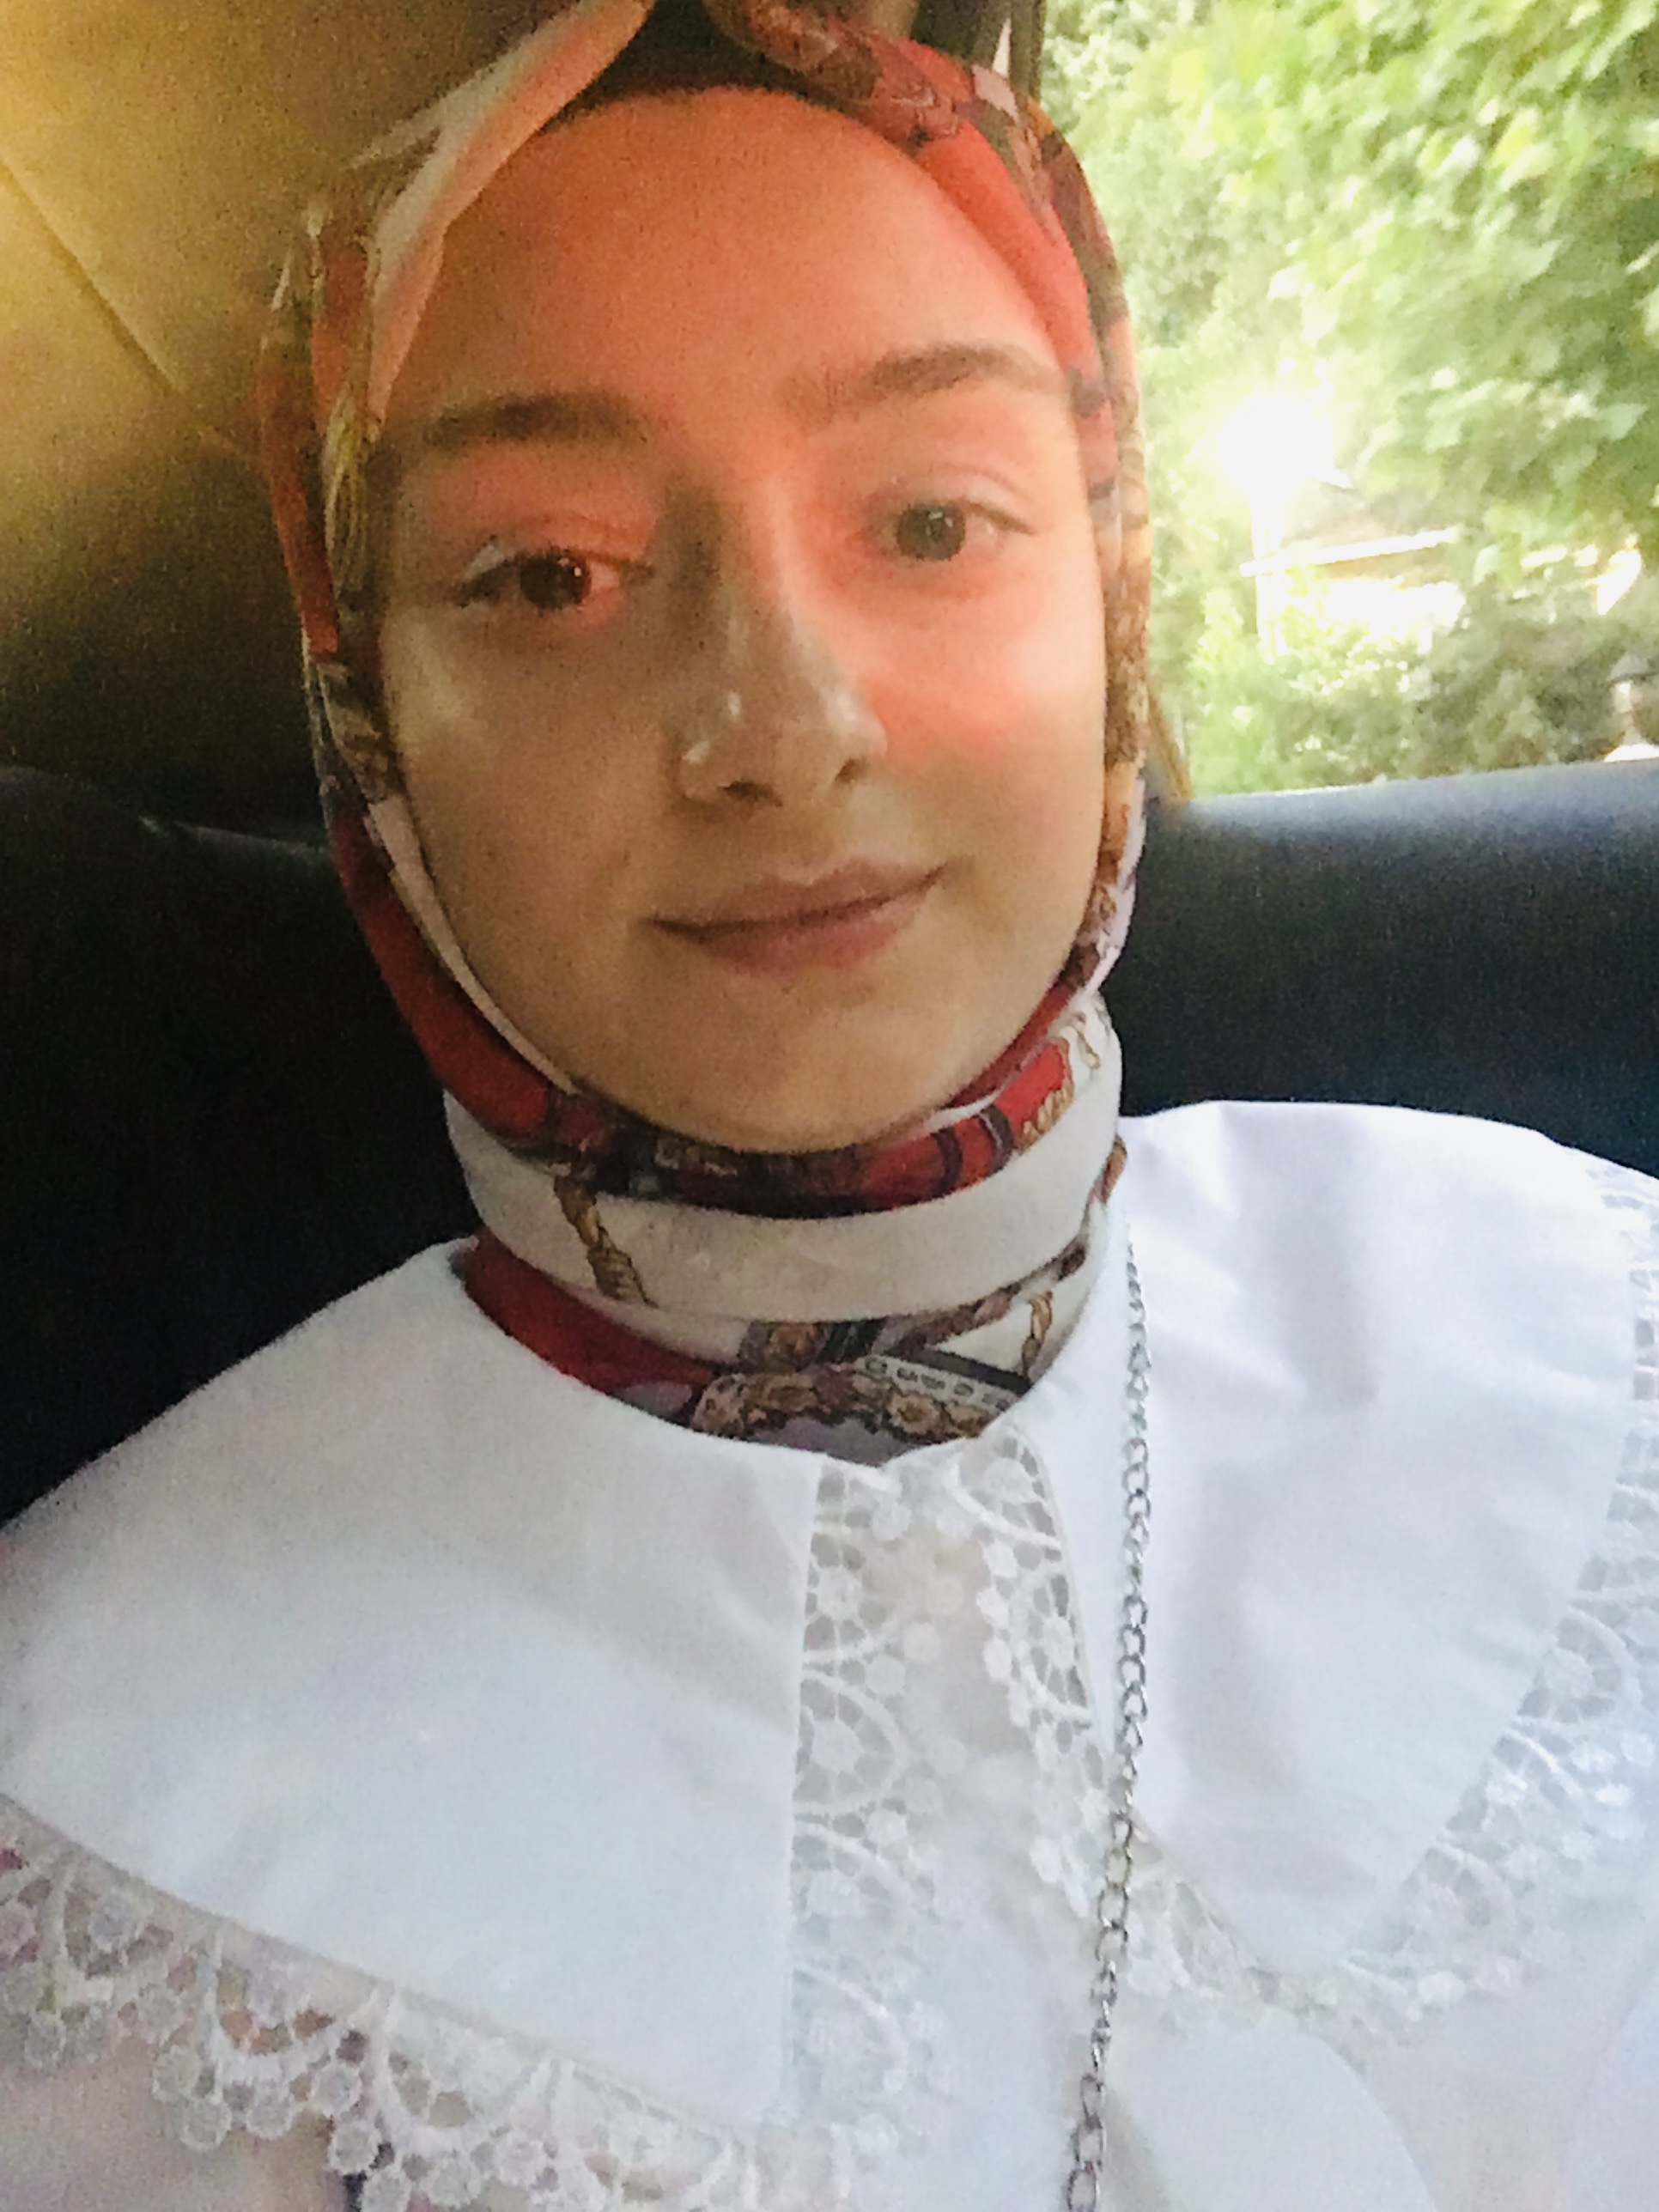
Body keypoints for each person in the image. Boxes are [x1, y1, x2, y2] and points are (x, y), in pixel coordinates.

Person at [2, 1, 1656, 2205]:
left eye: (934, 519)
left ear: (1113, 586)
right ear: (364, 701)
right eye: (551, 576)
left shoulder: (1591, 1336)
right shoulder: (111, 1845)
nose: (780, 723)